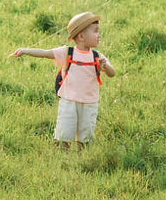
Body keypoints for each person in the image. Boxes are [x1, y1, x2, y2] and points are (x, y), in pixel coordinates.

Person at [11, 12, 115, 149]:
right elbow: (45, 53)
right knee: (65, 131)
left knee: (86, 135)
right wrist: (24, 51)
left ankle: (82, 156)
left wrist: (105, 66)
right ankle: (62, 154)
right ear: (81, 36)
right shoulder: (67, 53)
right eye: (95, 31)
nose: (99, 35)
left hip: (90, 102)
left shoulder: (98, 56)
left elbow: (112, 73)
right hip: (69, 101)